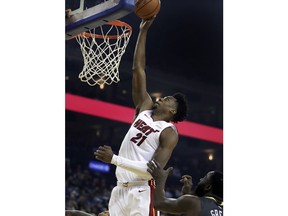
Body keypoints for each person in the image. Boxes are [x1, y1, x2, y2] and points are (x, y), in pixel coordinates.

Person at [94, 16, 189, 216]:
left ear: (172, 111)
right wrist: (143, 30)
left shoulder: (169, 131)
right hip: (119, 188)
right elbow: (138, 68)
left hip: (142, 191)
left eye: (169, 99)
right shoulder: (144, 108)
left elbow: (150, 170)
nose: (163, 97)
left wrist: (114, 159)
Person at [147, 160, 223, 216]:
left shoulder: (194, 202)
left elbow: (158, 203)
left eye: (204, 178)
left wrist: (160, 180)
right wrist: (186, 193)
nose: (200, 179)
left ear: (208, 187)